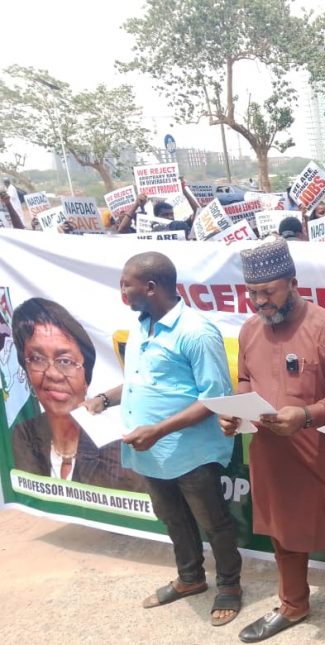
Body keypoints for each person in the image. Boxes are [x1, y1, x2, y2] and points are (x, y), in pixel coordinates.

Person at [218, 239, 325, 645]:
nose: (260, 301)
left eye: (268, 291)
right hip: (271, 457)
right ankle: (292, 605)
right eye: (252, 293)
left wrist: (306, 415)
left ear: (293, 283)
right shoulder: (250, 330)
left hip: (324, 456)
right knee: (282, 536)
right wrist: (235, 412)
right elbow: (246, 379)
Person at [84, 252, 242, 626]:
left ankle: (229, 586)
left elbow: (214, 398)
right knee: (172, 517)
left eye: (127, 284)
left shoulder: (197, 332)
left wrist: (158, 431)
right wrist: (105, 398)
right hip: (150, 453)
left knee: (214, 523)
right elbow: (141, 381)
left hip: (189, 453)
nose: (122, 291)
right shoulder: (142, 326)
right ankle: (190, 578)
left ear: (151, 287)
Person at [10, 298, 145, 491]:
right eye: (37, 358)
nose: (52, 374)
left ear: (86, 377)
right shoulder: (23, 435)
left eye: (65, 361)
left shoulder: (118, 454)